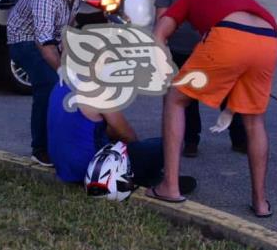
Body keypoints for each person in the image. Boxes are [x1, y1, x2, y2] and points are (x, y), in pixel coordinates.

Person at [148, 0, 277, 217]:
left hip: (229, 33)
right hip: (268, 38)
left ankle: (169, 186)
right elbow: (240, 64)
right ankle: (260, 203)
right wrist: (230, 109)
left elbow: (160, 33)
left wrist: (164, 71)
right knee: (254, 120)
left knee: (175, 100)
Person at [154, 0, 247, 158]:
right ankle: (191, 140)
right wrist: (161, 49)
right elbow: (161, 18)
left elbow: (227, 15)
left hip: (212, 51)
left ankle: (240, 138)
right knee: (187, 98)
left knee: (227, 93)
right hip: (180, 50)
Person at [7, 0, 98, 167]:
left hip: (50, 38)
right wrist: (63, 72)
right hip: (24, 39)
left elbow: (68, 27)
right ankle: (40, 149)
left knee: (78, 80)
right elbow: (43, 42)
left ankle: (68, 138)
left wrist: (71, 61)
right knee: (49, 84)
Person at [47, 79, 196, 192]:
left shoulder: (61, 82)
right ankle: (154, 179)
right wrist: (137, 152)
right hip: (93, 172)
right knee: (166, 144)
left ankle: (152, 178)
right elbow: (126, 134)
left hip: (65, 168)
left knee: (132, 147)